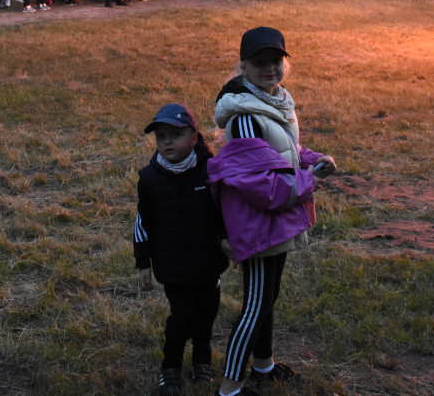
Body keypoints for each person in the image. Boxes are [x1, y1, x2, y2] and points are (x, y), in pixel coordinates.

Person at [208, 27, 337, 396]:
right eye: (259, 63)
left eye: (276, 61)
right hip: (259, 223)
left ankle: (263, 367)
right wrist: (308, 180)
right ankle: (230, 388)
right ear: (243, 67)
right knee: (255, 305)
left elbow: (286, 152)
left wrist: (313, 159)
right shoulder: (246, 116)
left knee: (268, 297)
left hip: (276, 220)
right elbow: (260, 185)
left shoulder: (273, 101)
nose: (269, 69)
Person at [134, 103, 229, 396]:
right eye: (161, 136)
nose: (167, 142)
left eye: (175, 135)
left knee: (206, 315)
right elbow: (142, 223)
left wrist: (228, 240)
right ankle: (170, 368)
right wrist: (143, 264)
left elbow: (225, 212)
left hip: (207, 263)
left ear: (194, 138)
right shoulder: (150, 179)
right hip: (172, 266)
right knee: (181, 317)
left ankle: (202, 360)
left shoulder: (210, 172)